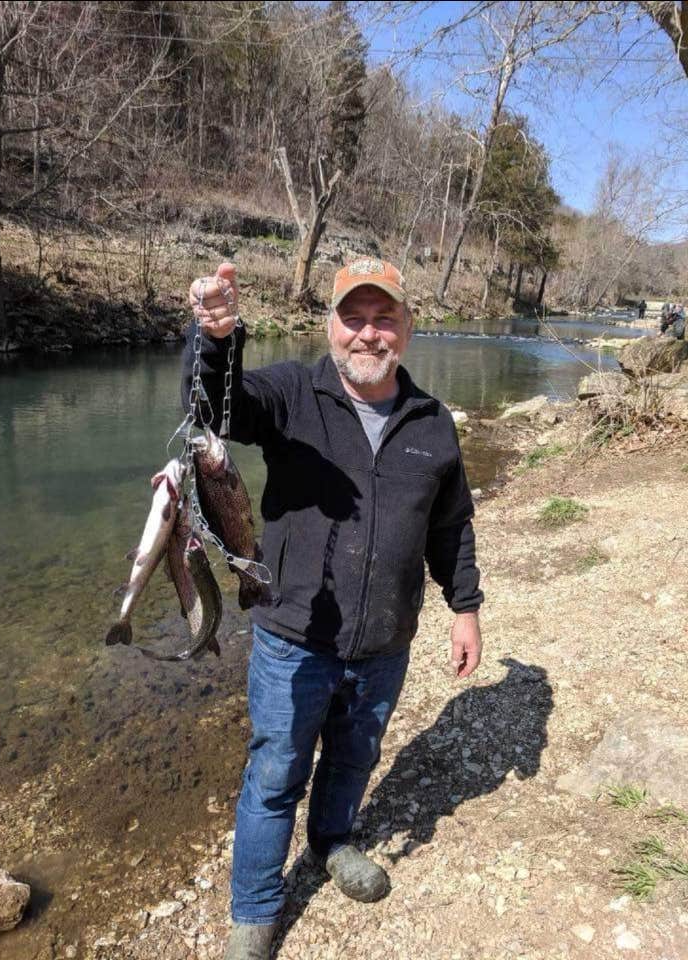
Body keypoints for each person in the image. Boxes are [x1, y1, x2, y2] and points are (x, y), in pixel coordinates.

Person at [183, 259, 483, 960]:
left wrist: (464, 606)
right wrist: (216, 340)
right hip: (293, 637)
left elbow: (451, 526)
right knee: (274, 775)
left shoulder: (433, 422)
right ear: (330, 326)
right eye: (354, 318)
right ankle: (254, 913)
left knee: (353, 758)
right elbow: (216, 411)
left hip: (385, 640)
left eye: (384, 318)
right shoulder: (292, 393)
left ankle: (330, 842)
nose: (368, 334)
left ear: (407, 329)